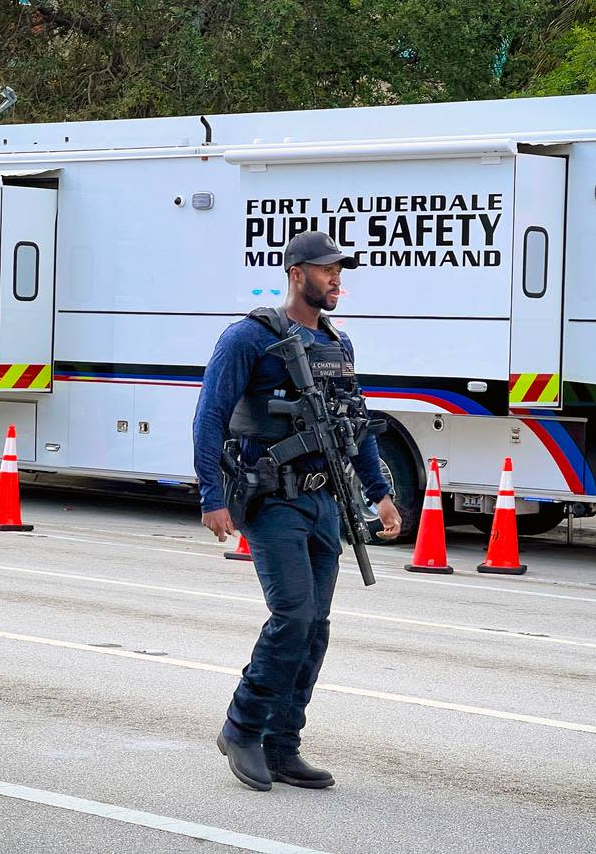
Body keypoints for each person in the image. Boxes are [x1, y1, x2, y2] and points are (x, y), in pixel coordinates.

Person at [193, 230, 402, 791]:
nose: (337, 279)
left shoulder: (338, 343)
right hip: (271, 499)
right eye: (327, 269)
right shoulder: (248, 338)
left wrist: (378, 493)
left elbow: (354, 425)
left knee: (316, 629)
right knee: (293, 617)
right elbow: (209, 415)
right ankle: (241, 729)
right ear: (295, 273)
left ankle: (283, 747)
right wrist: (211, 496)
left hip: (322, 501)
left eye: (339, 270)